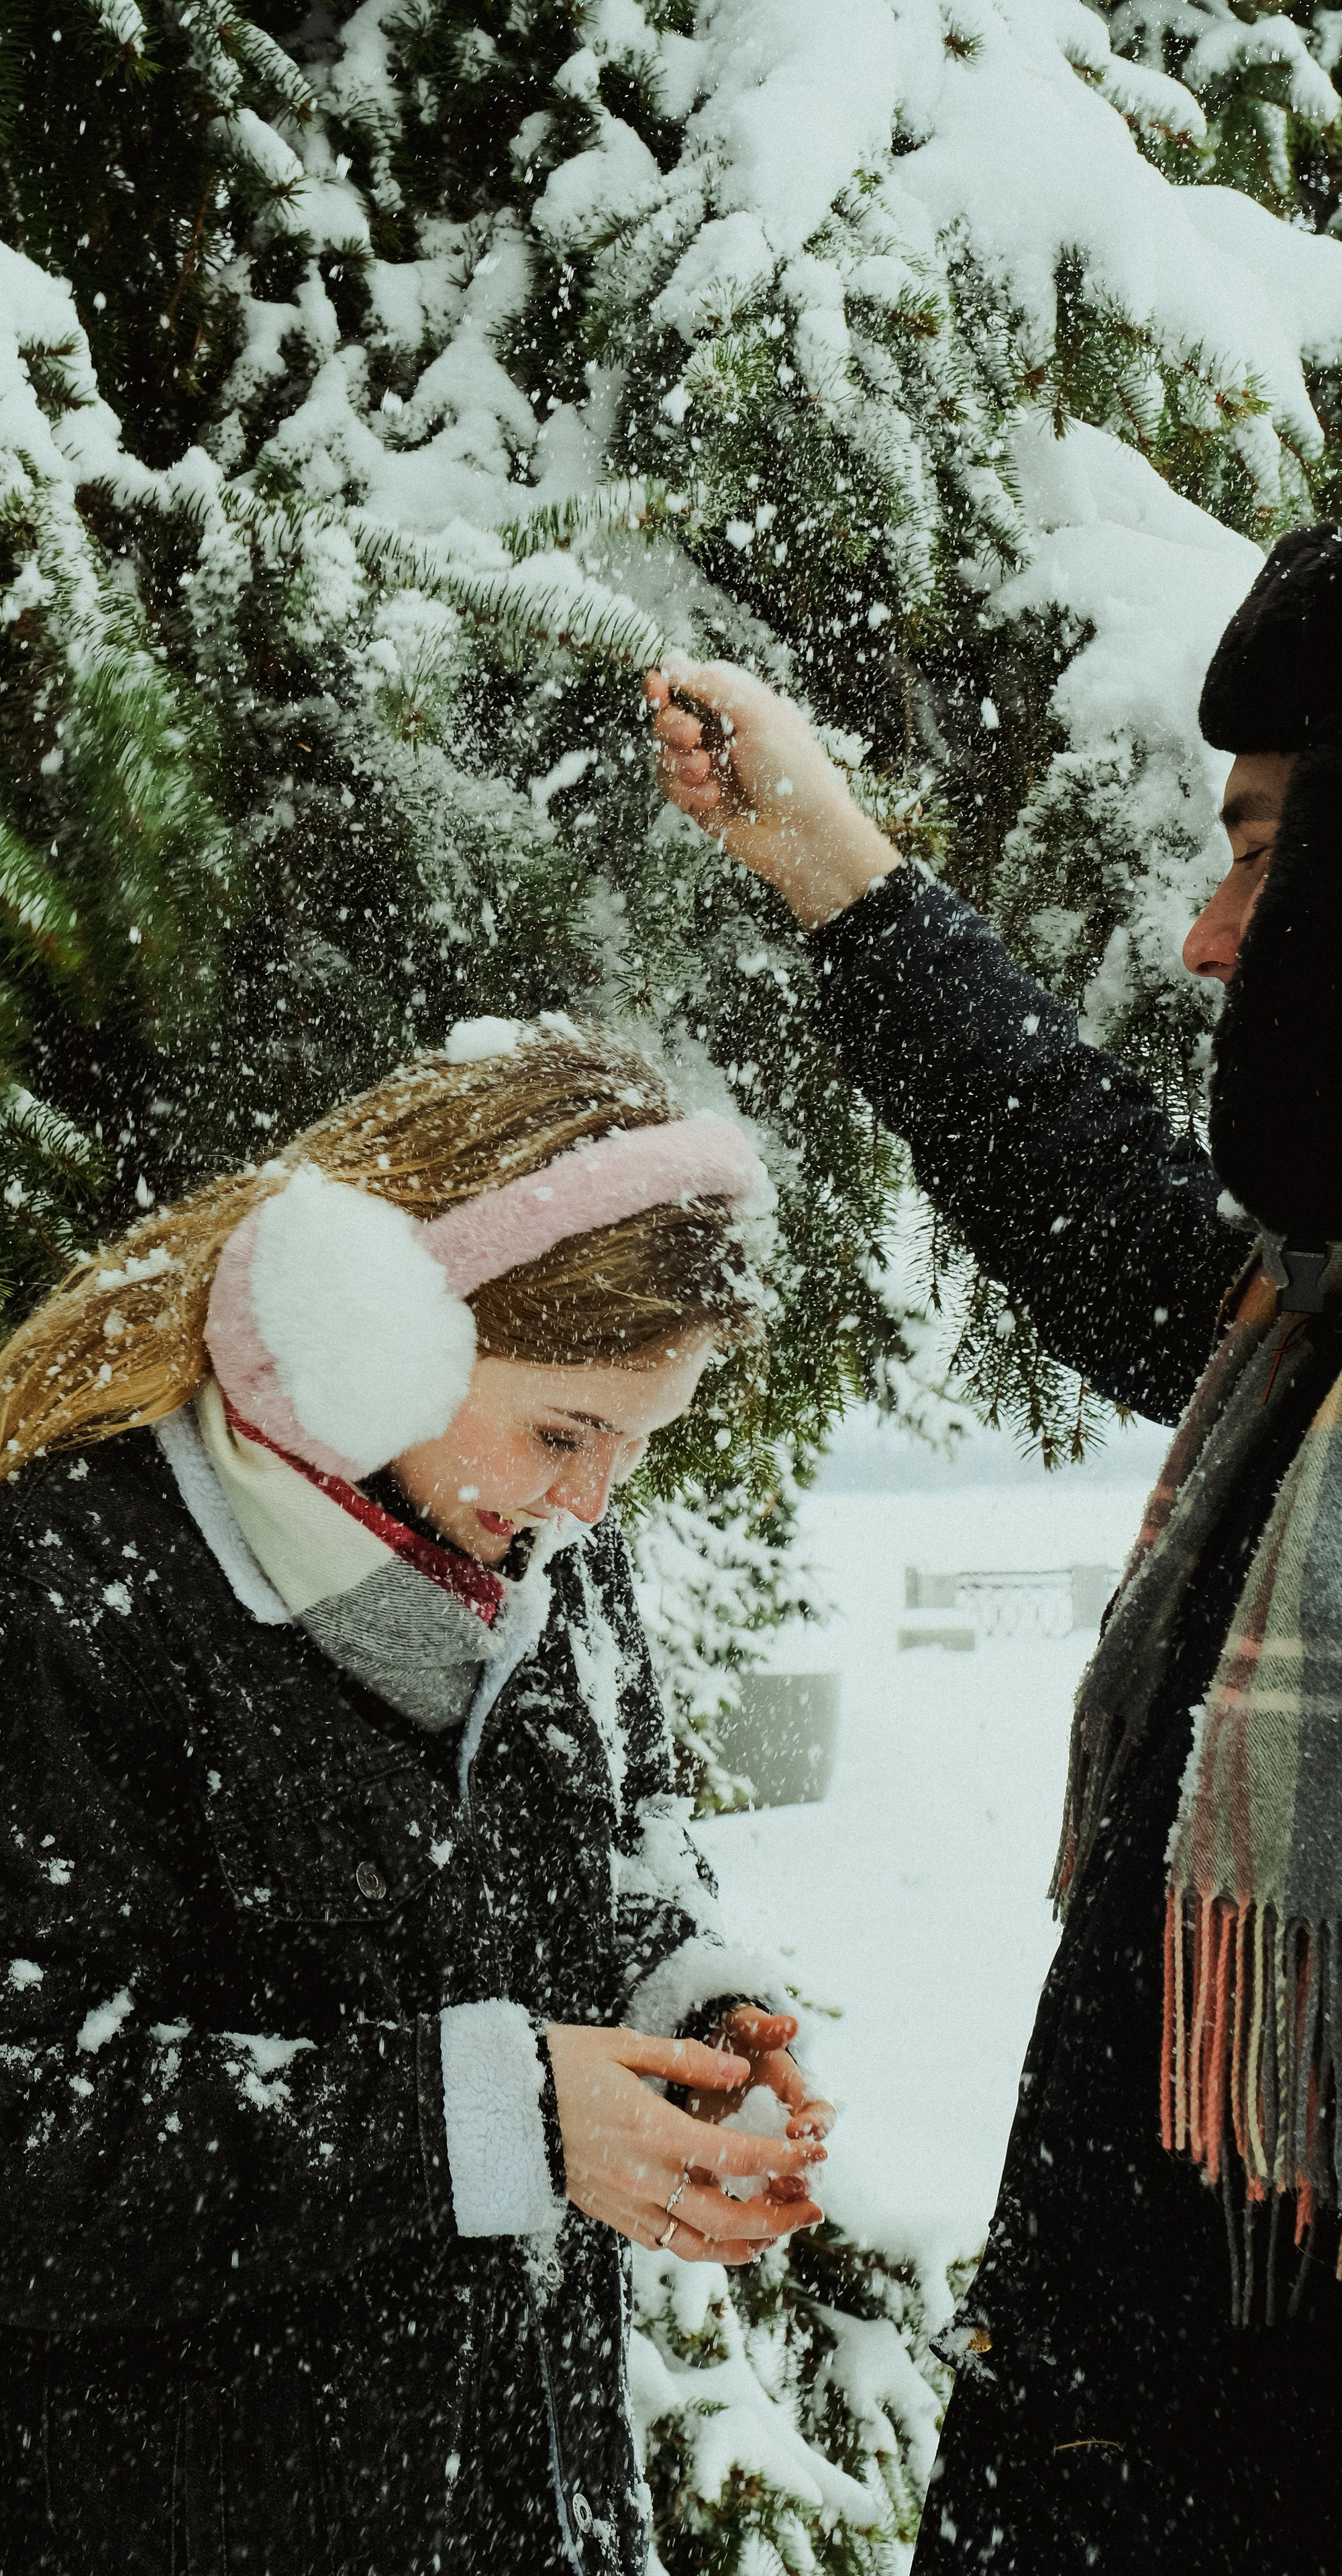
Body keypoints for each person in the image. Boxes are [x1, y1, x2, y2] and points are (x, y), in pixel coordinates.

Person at [0, 1020, 836, 2576]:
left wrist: (686, 2018)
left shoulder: (548, 1559)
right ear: (379, 1329)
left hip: (533, 2510)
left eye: (638, 1446)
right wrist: (474, 2122)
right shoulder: (64, 1592)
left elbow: (628, 1855)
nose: (589, 1501)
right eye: (563, 1430)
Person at [646, 525, 1342, 2573]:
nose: (1213, 942)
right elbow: (1142, 1242)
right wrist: (841, 874)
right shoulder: (1311, 1345)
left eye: (1272, 856)